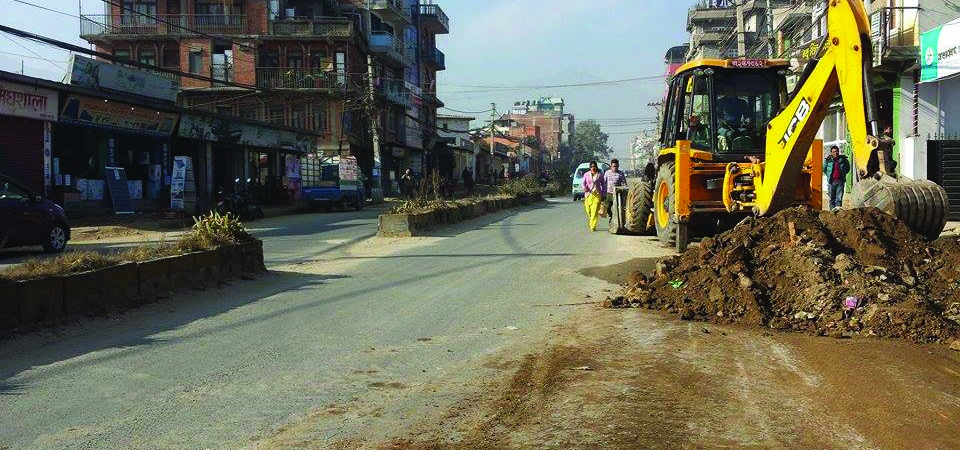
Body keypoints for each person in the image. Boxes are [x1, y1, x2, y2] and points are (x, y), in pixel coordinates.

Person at [582, 160, 607, 232]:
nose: (593, 168)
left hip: (597, 195)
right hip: (588, 194)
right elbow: (583, 183)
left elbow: (603, 185)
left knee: (594, 211)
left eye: (594, 166)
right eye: (592, 166)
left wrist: (603, 194)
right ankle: (592, 221)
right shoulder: (586, 174)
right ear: (590, 168)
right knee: (588, 211)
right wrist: (584, 188)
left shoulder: (600, 175)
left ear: (596, 167)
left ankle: (592, 226)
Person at [823, 145, 850, 211]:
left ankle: (838, 212)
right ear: (831, 153)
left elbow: (847, 169)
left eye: (837, 151)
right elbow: (824, 169)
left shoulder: (843, 160)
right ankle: (832, 213)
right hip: (831, 182)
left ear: (838, 152)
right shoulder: (828, 160)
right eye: (834, 152)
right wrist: (829, 175)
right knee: (831, 199)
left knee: (839, 198)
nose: (836, 153)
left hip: (840, 181)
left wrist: (842, 175)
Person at [604, 158, 627, 223]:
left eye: (616, 166)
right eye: (613, 166)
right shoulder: (607, 173)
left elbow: (624, 183)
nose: (615, 168)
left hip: (618, 193)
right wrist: (603, 192)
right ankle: (610, 216)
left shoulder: (621, 173)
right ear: (611, 166)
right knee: (608, 207)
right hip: (609, 193)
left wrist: (624, 189)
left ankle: (617, 220)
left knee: (617, 208)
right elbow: (604, 183)